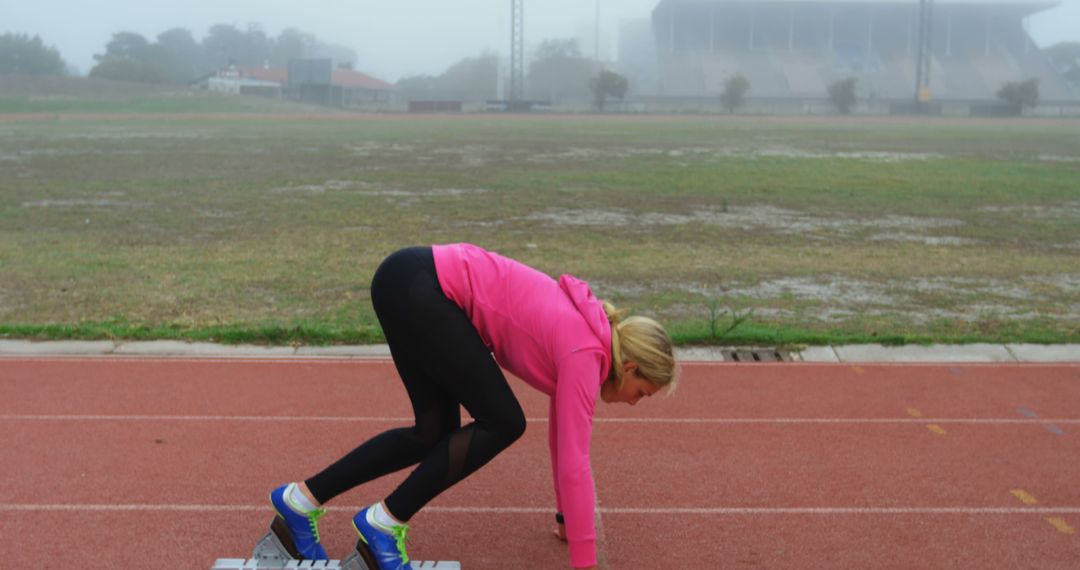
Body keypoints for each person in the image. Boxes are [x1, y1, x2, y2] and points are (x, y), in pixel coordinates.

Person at [268, 243, 678, 570]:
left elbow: (562, 440)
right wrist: (585, 562)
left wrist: (568, 522)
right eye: (642, 391)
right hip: (424, 288)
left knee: (432, 432)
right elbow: (575, 459)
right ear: (630, 367)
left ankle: (300, 501)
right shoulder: (584, 353)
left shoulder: (586, 344)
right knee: (504, 422)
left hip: (404, 279)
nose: (634, 402)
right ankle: (384, 523)